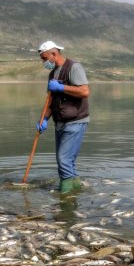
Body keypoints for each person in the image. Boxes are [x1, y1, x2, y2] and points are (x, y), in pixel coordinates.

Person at [35, 40, 90, 194]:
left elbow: (84, 91)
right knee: (68, 161)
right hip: (60, 121)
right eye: (42, 59)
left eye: (45, 58)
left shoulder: (74, 67)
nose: (44, 62)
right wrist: (43, 119)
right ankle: (76, 190)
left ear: (54, 53)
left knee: (63, 159)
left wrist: (61, 87)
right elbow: (50, 101)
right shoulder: (52, 74)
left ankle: (65, 196)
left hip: (76, 121)